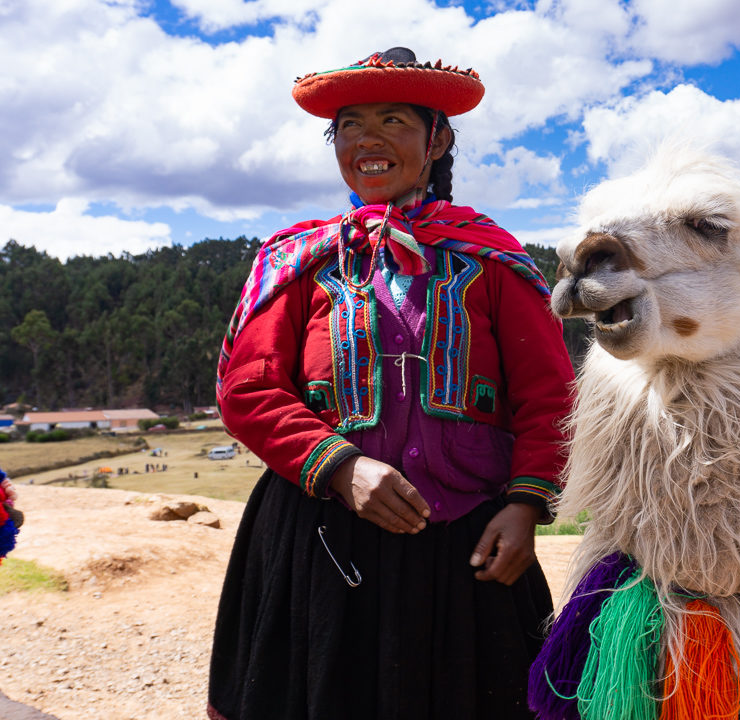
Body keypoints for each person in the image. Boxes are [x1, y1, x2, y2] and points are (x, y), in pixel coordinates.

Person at [207, 47, 575, 720]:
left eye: (393, 119)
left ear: (437, 140)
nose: (367, 139)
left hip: (468, 550)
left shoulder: (492, 261)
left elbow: (550, 397)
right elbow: (248, 390)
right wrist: (341, 466)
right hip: (320, 540)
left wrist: (525, 508)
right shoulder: (297, 260)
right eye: (349, 124)